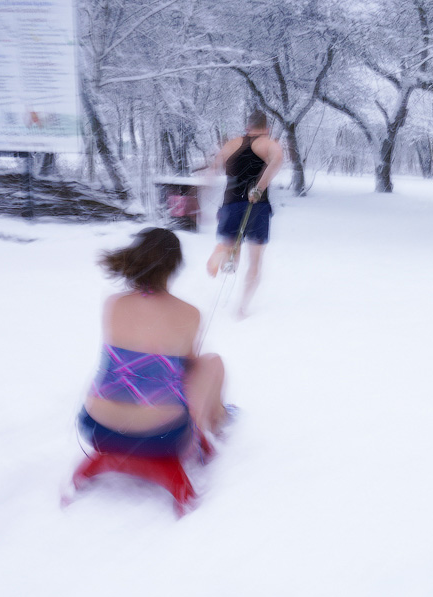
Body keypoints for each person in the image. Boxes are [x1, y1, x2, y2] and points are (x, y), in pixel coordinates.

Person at [79, 228, 228, 458]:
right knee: (211, 362)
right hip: (160, 437)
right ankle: (217, 420)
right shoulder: (189, 313)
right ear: (174, 266)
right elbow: (189, 364)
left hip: (98, 429)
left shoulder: (114, 303)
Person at [206, 109, 284, 318]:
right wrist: (259, 187)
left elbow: (213, 169)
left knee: (232, 253)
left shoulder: (231, 144)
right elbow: (277, 160)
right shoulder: (268, 144)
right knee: (255, 261)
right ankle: (242, 308)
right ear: (267, 128)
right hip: (257, 206)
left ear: (247, 126)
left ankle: (224, 252)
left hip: (230, 204)